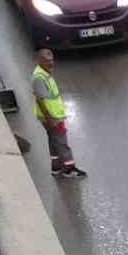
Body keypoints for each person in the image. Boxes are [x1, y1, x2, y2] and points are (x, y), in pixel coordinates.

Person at [31, 49, 87, 178]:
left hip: (53, 115)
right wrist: (50, 119)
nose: (51, 63)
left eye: (51, 60)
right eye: (47, 61)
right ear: (39, 61)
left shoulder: (45, 72)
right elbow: (40, 100)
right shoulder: (39, 78)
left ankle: (56, 168)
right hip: (51, 116)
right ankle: (69, 169)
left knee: (54, 140)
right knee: (61, 142)